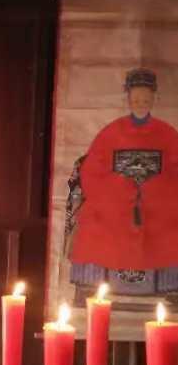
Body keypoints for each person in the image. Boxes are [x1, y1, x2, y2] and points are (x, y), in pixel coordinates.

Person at [69, 67, 178, 298]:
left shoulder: (168, 134)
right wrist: (119, 189)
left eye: (146, 100)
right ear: (128, 99)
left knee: (169, 230)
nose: (141, 104)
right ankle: (93, 286)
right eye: (136, 99)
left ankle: (169, 289)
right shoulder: (110, 133)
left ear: (154, 99)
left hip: (158, 205)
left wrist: (154, 189)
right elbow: (91, 171)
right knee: (94, 225)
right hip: (115, 202)